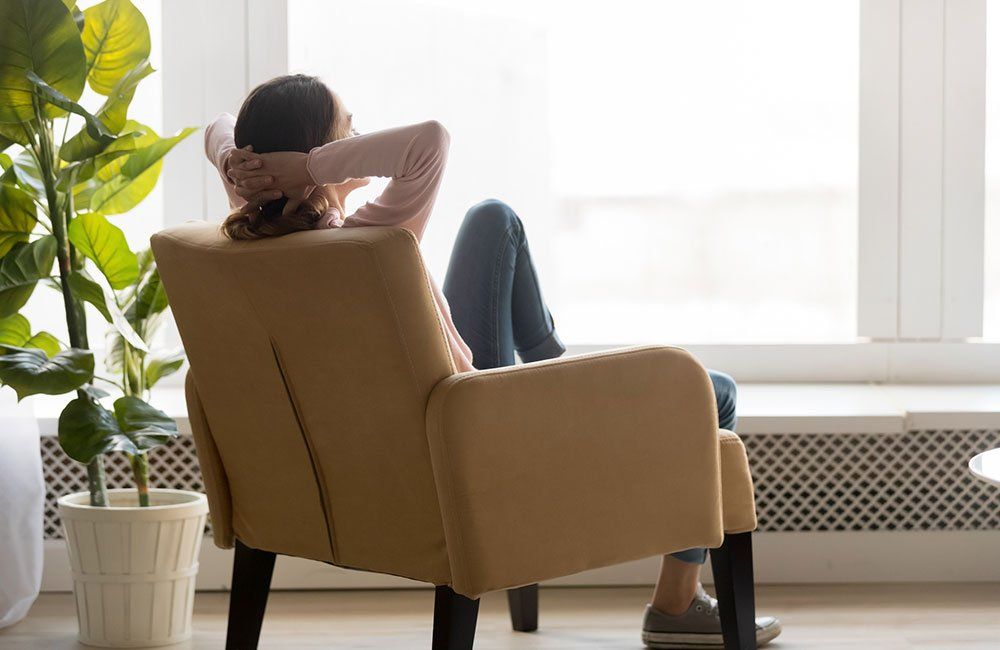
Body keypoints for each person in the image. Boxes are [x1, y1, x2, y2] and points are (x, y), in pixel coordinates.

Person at [206, 73, 781, 649]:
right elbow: (429, 140)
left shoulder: (255, 237)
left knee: (493, 218)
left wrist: (246, 165)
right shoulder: (369, 240)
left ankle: (554, 366)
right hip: (477, 434)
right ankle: (676, 604)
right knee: (715, 393)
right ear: (311, 160)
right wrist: (308, 166)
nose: (359, 139)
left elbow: (214, 132)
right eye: (346, 132)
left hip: (431, 423)